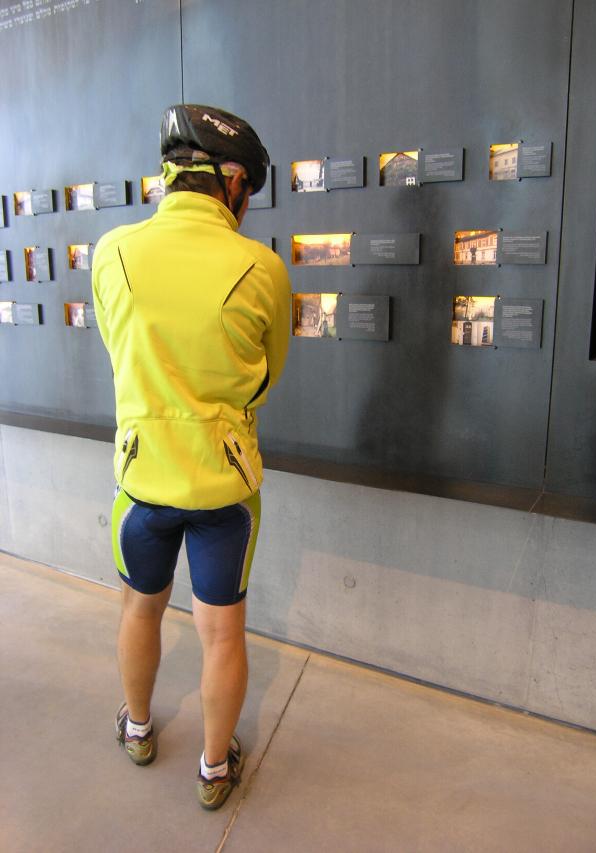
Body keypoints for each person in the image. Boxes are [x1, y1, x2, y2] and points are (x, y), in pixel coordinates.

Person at [91, 104, 291, 810]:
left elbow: (117, 348)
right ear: (231, 181)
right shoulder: (263, 266)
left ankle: (138, 729)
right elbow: (267, 375)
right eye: (248, 190)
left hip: (142, 478)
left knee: (139, 610)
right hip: (223, 487)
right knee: (222, 632)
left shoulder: (111, 251)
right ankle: (213, 768)